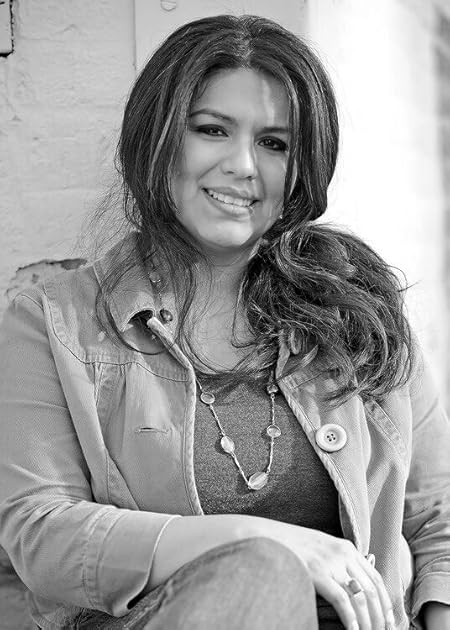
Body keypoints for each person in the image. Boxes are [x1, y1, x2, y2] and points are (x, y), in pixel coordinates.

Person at [0, 13, 448, 630]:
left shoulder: (360, 310)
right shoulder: (52, 323)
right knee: (260, 572)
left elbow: (437, 518)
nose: (243, 165)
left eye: (275, 143)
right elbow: (42, 533)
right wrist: (262, 542)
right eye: (212, 130)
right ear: (157, 138)